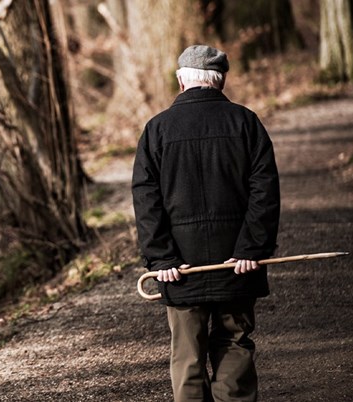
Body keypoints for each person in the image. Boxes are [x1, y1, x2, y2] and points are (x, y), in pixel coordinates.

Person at [131, 44, 280, 402]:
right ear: (221, 81)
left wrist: (162, 258)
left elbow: (145, 199)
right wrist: (251, 248)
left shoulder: (156, 130)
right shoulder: (245, 123)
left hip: (180, 269)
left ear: (181, 81)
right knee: (235, 344)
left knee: (187, 357)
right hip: (237, 265)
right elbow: (265, 192)